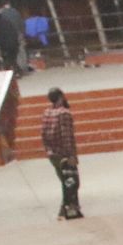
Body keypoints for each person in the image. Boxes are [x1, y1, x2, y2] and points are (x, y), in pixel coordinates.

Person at [40, 87, 82, 220]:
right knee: (72, 182)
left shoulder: (47, 113)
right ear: (61, 97)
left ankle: (69, 209)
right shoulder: (64, 113)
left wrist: (48, 150)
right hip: (63, 153)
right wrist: (71, 155)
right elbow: (66, 136)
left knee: (65, 181)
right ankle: (67, 210)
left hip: (52, 154)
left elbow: (43, 134)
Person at [0, 0, 24, 72]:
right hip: (17, 33)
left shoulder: (2, 14)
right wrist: (22, 32)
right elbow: (21, 22)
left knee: (11, 56)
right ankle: (23, 67)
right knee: (20, 51)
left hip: (8, 38)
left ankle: (15, 69)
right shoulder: (16, 12)